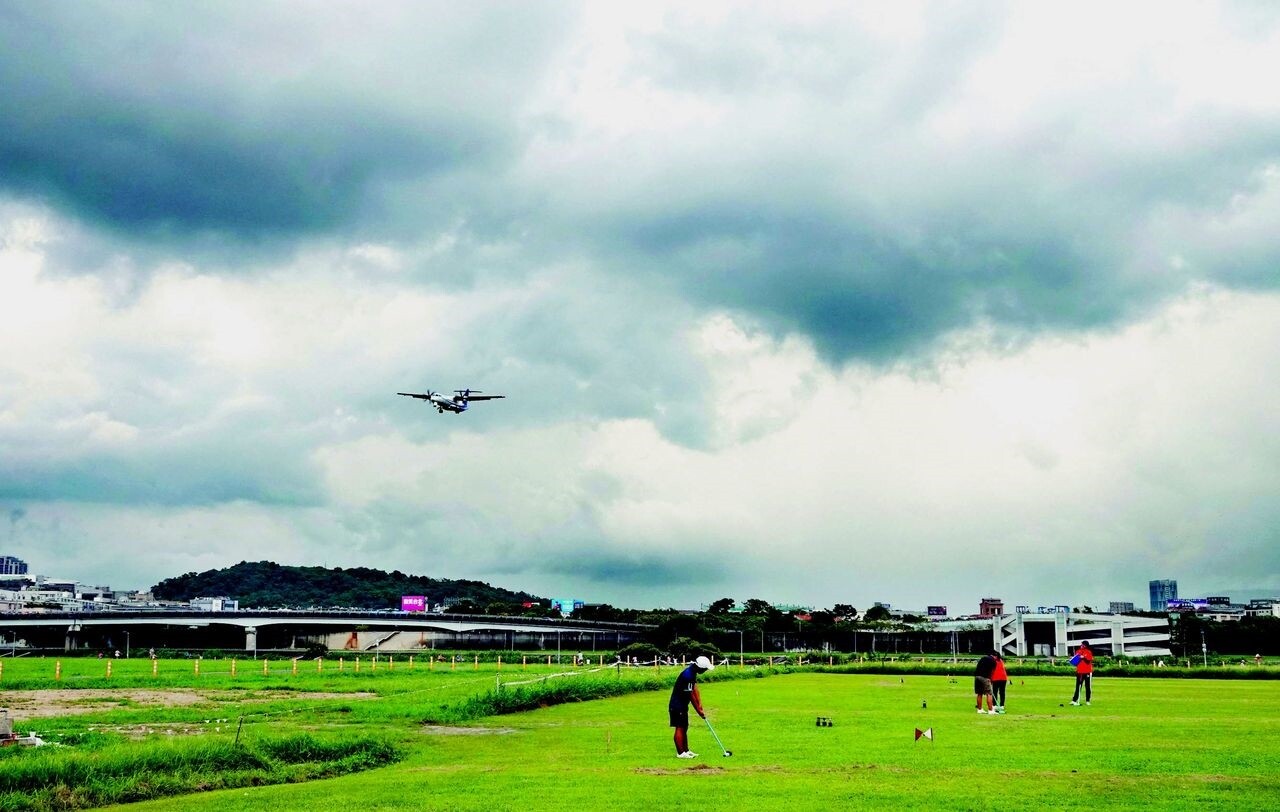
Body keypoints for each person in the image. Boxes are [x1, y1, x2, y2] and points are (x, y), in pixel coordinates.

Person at [669, 655, 714, 758]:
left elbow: (694, 689)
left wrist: (700, 705)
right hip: (677, 705)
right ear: (701, 668)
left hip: (682, 705)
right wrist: (698, 710)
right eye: (705, 668)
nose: (706, 670)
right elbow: (690, 696)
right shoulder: (688, 675)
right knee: (680, 728)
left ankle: (686, 750)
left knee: (684, 727)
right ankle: (681, 753)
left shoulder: (692, 672)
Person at [1070, 641, 1094, 706]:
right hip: (1079, 672)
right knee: (1078, 686)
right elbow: (1075, 661)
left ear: (1085, 645)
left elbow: (1089, 660)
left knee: (1088, 686)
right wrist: (1073, 660)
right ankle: (1074, 700)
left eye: (1082, 644)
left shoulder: (1088, 652)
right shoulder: (1078, 651)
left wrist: (1084, 657)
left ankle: (1088, 700)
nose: (1081, 645)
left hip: (1087, 672)